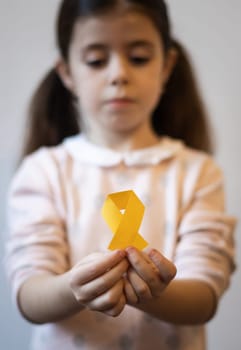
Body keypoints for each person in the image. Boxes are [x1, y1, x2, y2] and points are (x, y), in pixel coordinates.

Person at [5, 0, 236, 349]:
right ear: (67, 72)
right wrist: (73, 288)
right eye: (96, 61)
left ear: (166, 66)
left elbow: (204, 297)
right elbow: (29, 296)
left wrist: (152, 294)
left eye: (139, 57)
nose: (119, 75)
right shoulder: (43, 172)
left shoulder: (198, 173)